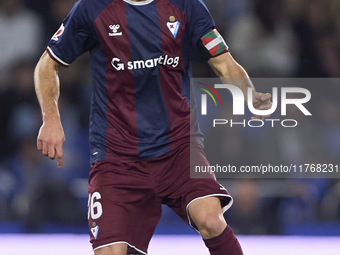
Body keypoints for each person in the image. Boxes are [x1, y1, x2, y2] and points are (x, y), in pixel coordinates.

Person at [34, 0, 272, 254]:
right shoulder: (92, 7)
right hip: (117, 156)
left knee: (211, 220)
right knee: (110, 252)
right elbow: (47, 65)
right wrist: (51, 118)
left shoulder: (186, 5)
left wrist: (251, 95)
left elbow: (223, 61)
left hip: (178, 147)